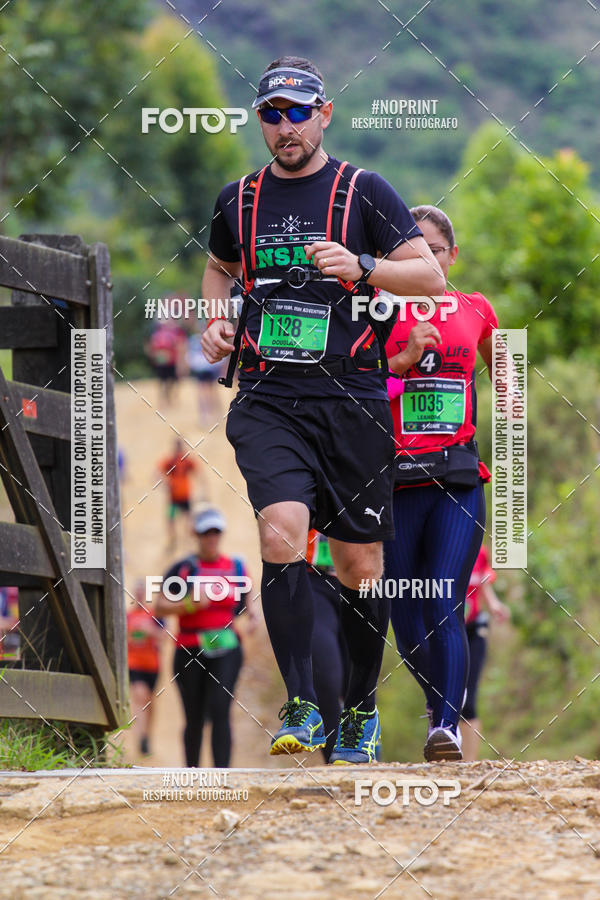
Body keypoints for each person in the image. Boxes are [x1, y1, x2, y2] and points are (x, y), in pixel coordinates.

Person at [201, 55, 444, 764]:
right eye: (272, 114)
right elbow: (219, 269)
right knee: (282, 535)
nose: (286, 127)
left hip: (354, 399)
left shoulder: (364, 191)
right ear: (260, 121)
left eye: (298, 112)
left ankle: (361, 713)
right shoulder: (237, 200)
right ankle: (304, 704)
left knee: (360, 566)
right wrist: (216, 324)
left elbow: (427, 276)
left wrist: (364, 267)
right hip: (270, 397)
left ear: (324, 113)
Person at [383, 204, 498, 762]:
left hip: (457, 478)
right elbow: (353, 393)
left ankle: (447, 727)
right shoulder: (375, 313)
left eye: (433, 249)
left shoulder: (474, 309)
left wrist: (514, 423)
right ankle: (437, 708)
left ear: (452, 257)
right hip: (397, 481)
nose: (423, 259)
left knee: (443, 599)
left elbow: (507, 368)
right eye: (410, 250)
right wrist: (401, 360)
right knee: (406, 616)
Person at [153, 507, 257, 767]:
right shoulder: (184, 568)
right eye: (205, 533)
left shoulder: (236, 567)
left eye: (215, 532)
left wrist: (254, 618)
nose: (211, 538)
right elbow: (160, 606)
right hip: (189, 648)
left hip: (227, 647)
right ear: (195, 534)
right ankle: (192, 776)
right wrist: (190, 604)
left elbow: (247, 605)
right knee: (194, 716)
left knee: (221, 709)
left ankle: (223, 777)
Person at [462, 545, 510, 761]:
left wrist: (495, 605)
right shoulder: (436, 544)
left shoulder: (479, 552)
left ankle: (468, 764)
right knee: (444, 699)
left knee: (468, 702)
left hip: (474, 630)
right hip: (445, 631)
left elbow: (483, 584)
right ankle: (444, 761)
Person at [305, 529, 349, 762]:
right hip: (313, 579)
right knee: (326, 681)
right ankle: (336, 762)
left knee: (358, 684)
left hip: (359, 578)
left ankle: (367, 758)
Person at [127, 580, 164, 756]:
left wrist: (151, 631)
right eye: (138, 591)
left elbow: (165, 635)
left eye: (143, 592)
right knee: (139, 697)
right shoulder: (127, 616)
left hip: (153, 665)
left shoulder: (155, 615)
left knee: (150, 702)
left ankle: (147, 736)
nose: (140, 595)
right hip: (134, 663)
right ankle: (140, 738)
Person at [158, 438, 205, 550]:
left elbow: (198, 472)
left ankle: (187, 540)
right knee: (171, 518)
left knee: (187, 519)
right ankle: (173, 539)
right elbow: (158, 472)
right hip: (174, 496)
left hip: (185, 495)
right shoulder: (170, 461)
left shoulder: (186, 460)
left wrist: (203, 488)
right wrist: (165, 483)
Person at [145, 320, 187, 408]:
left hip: (170, 361)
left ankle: (167, 399)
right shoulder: (158, 335)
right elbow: (151, 347)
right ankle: (165, 400)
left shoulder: (166, 335)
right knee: (164, 382)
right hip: (164, 362)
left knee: (169, 381)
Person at [187, 329, 223, 426]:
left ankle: (213, 414)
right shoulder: (195, 340)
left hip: (209, 368)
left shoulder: (199, 340)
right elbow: (191, 355)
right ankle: (205, 415)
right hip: (203, 369)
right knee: (203, 392)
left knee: (210, 392)